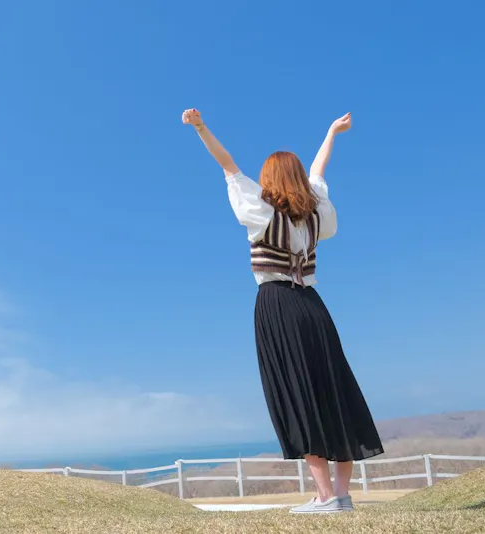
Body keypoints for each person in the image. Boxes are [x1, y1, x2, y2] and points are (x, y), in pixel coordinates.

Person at [181, 108, 384, 514]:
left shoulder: (260, 211)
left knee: (297, 393)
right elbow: (319, 170)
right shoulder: (316, 216)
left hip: (277, 305)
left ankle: (325, 496)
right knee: (333, 388)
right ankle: (341, 495)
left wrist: (201, 128)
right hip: (313, 306)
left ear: (269, 180)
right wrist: (331, 133)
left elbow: (228, 166)